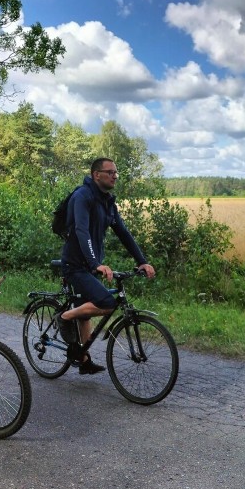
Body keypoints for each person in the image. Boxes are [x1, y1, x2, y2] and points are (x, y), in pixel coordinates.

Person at [57, 157, 155, 374]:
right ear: (96, 175)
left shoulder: (108, 202)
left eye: (116, 173)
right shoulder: (82, 196)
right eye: (110, 172)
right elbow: (81, 231)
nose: (115, 176)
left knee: (86, 312)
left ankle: (82, 361)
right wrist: (95, 263)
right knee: (107, 303)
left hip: (91, 265)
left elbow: (124, 233)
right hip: (75, 264)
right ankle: (63, 317)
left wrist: (142, 261)